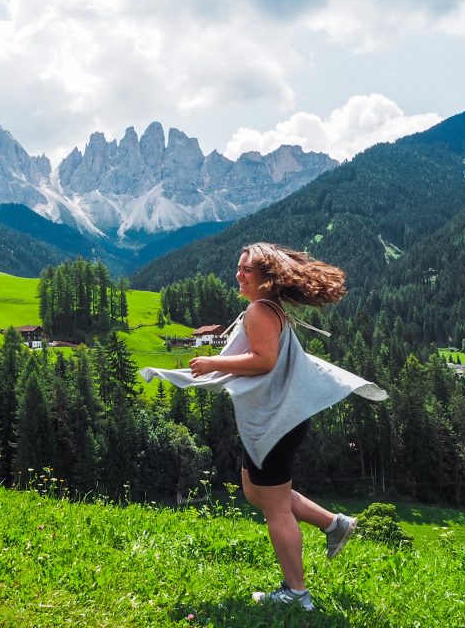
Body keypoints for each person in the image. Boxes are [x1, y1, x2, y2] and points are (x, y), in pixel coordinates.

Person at [140, 242, 387, 612]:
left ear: (266, 279)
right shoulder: (268, 308)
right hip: (274, 419)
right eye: (238, 269)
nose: (238, 276)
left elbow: (265, 361)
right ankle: (334, 524)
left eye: (246, 271)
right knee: (256, 491)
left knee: (274, 507)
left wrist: (211, 362)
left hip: (277, 422)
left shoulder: (259, 310)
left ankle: (296, 594)